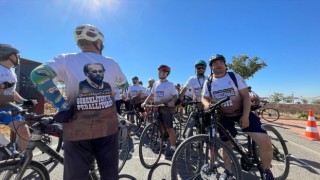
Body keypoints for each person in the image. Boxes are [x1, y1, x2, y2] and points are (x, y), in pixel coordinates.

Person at [30, 24, 128, 180]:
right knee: (109, 175)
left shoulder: (66, 59)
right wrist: (120, 93)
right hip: (107, 129)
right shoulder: (111, 63)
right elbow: (124, 86)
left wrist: (62, 106)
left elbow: (39, 75)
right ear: (98, 43)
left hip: (77, 129)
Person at [201, 54, 274, 180]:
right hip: (224, 116)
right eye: (214, 63)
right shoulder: (209, 81)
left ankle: (267, 170)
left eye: (220, 62)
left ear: (225, 64)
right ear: (211, 67)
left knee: (265, 142)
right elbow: (204, 97)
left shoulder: (234, 76)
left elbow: (246, 96)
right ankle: (228, 171)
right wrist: (207, 105)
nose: (218, 65)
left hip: (242, 112)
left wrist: (245, 116)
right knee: (226, 144)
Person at [0, 44, 37, 152]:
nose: (19, 58)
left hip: (7, 107)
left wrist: (24, 101)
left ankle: (21, 162)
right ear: (9, 55)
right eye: (17, 55)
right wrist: (2, 86)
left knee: (23, 130)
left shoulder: (12, 71)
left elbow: (12, 91)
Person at [141, 65, 178, 159]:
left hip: (165, 108)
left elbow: (174, 95)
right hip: (156, 108)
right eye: (158, 71)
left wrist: (172, 102)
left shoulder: (170, 84)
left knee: (169, 128)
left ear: (166, 73)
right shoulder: (155, 83)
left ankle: (173, 147)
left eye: (161, 71)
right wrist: (145, 102)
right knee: (160, 127)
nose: (159, 73)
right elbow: (152, 94)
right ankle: (163, 143)